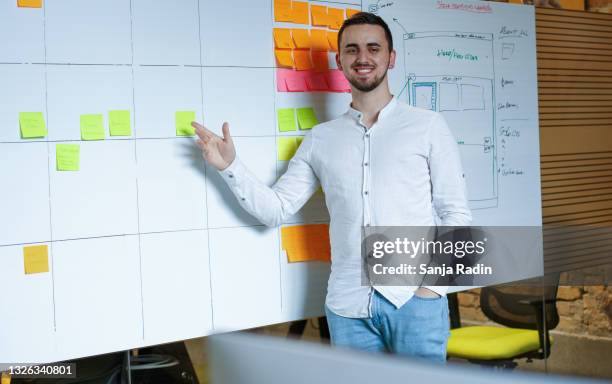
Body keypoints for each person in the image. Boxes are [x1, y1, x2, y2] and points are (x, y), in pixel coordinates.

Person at [192, 12, 471, 363]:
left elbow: (455, 214)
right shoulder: (321, 139)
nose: (363, 58)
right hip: (347, 308)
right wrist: (230, 165)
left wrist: (431, 289)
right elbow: (275, 209)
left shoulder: (428, 127)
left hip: (415, 305)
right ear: (340, 61)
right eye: (352, 50)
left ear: (391, 57)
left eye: (373, 48)